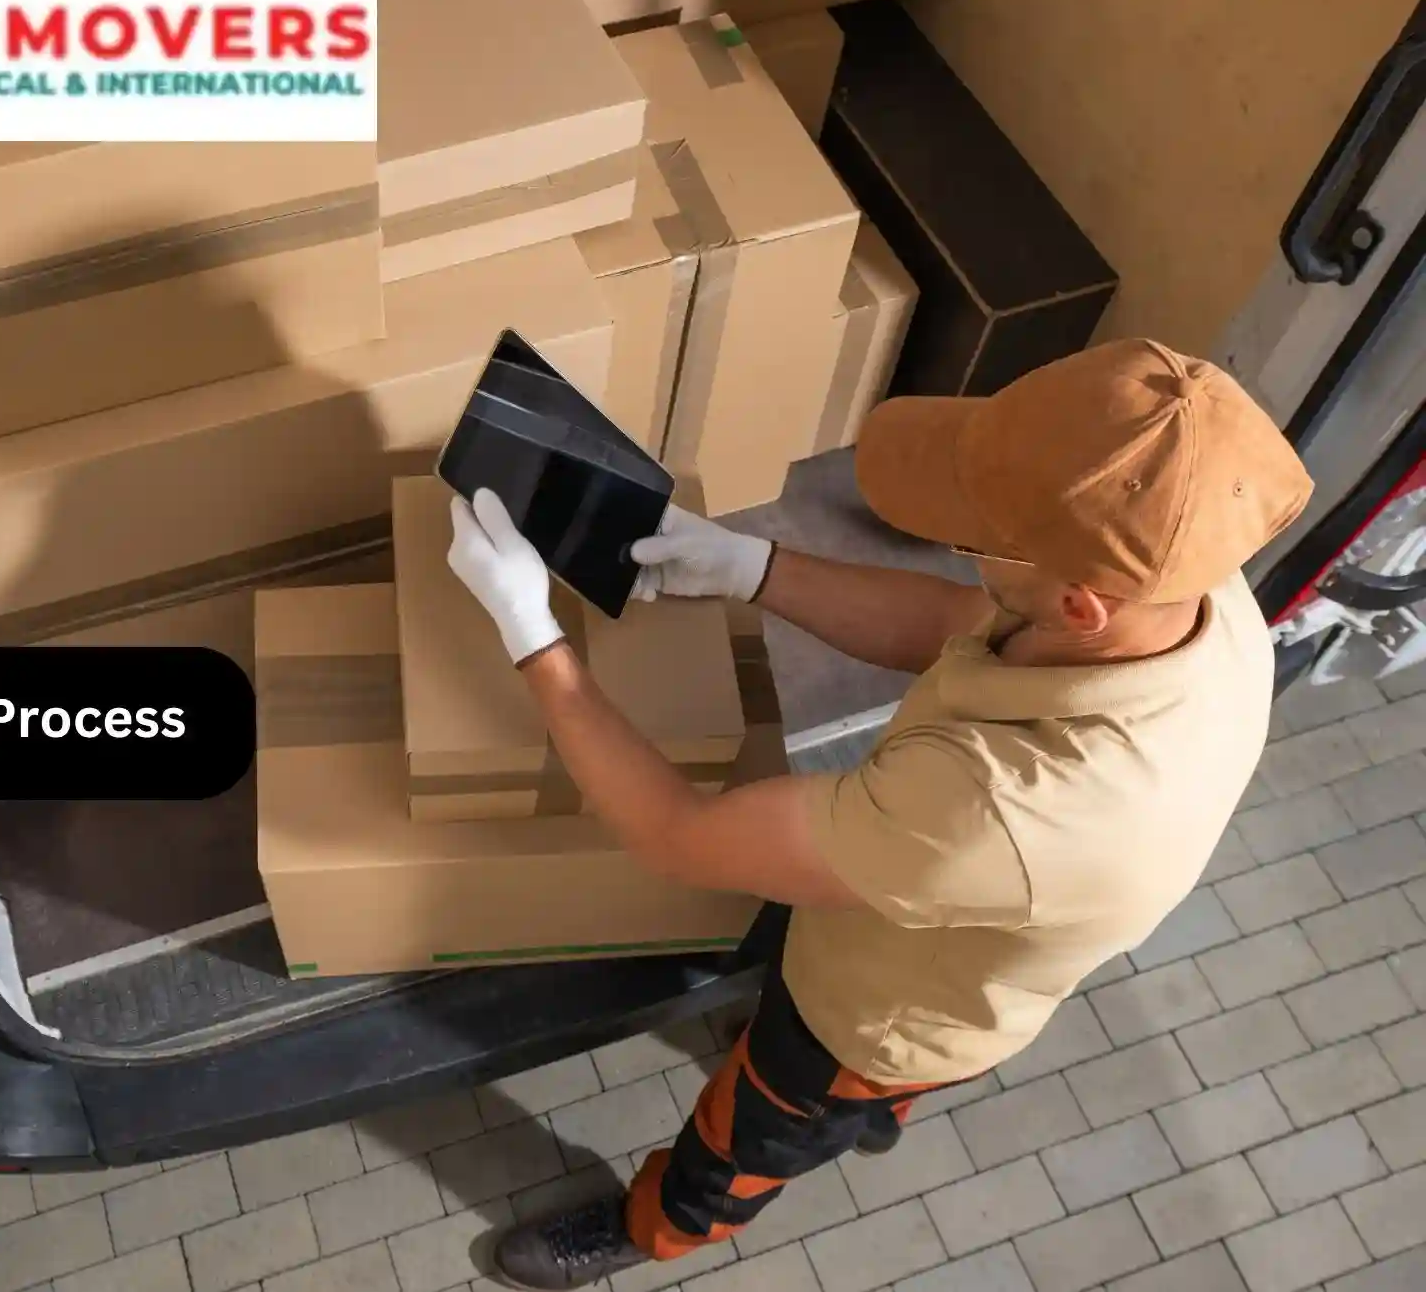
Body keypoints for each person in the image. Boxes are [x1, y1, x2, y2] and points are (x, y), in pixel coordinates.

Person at [442, 338, 1314, 1291]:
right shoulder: (1192, 581)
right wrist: (752, 567)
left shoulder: (1000, 810)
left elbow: (677, 837)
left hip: (863, 1022)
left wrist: (532, 635)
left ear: (1078, 605)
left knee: (752, 1132)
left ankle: (654, 1227)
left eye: (979, 540)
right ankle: (878, 1116)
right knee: (864, 1076)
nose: (963, 548)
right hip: (959, 947)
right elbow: (959, 626)